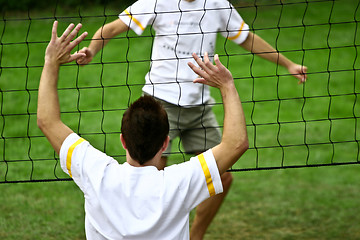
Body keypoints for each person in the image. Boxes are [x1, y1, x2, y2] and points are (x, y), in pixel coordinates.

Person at [76, 0, 307, 238]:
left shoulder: (217, 4)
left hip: (199, 107)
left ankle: (194, 236)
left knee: (223, 177)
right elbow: (113, 28)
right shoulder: (157, 2)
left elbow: (246, 38)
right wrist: (92, 50)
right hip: (161, 104)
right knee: (150, 177)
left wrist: (288, 64)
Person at [37, 21, 248, 239]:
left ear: (123, 140)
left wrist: (51, 62)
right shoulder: (180, 183)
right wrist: (227, 85)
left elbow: (47, 121)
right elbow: (236, 143)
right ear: (165, 143)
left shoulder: (96, 173)